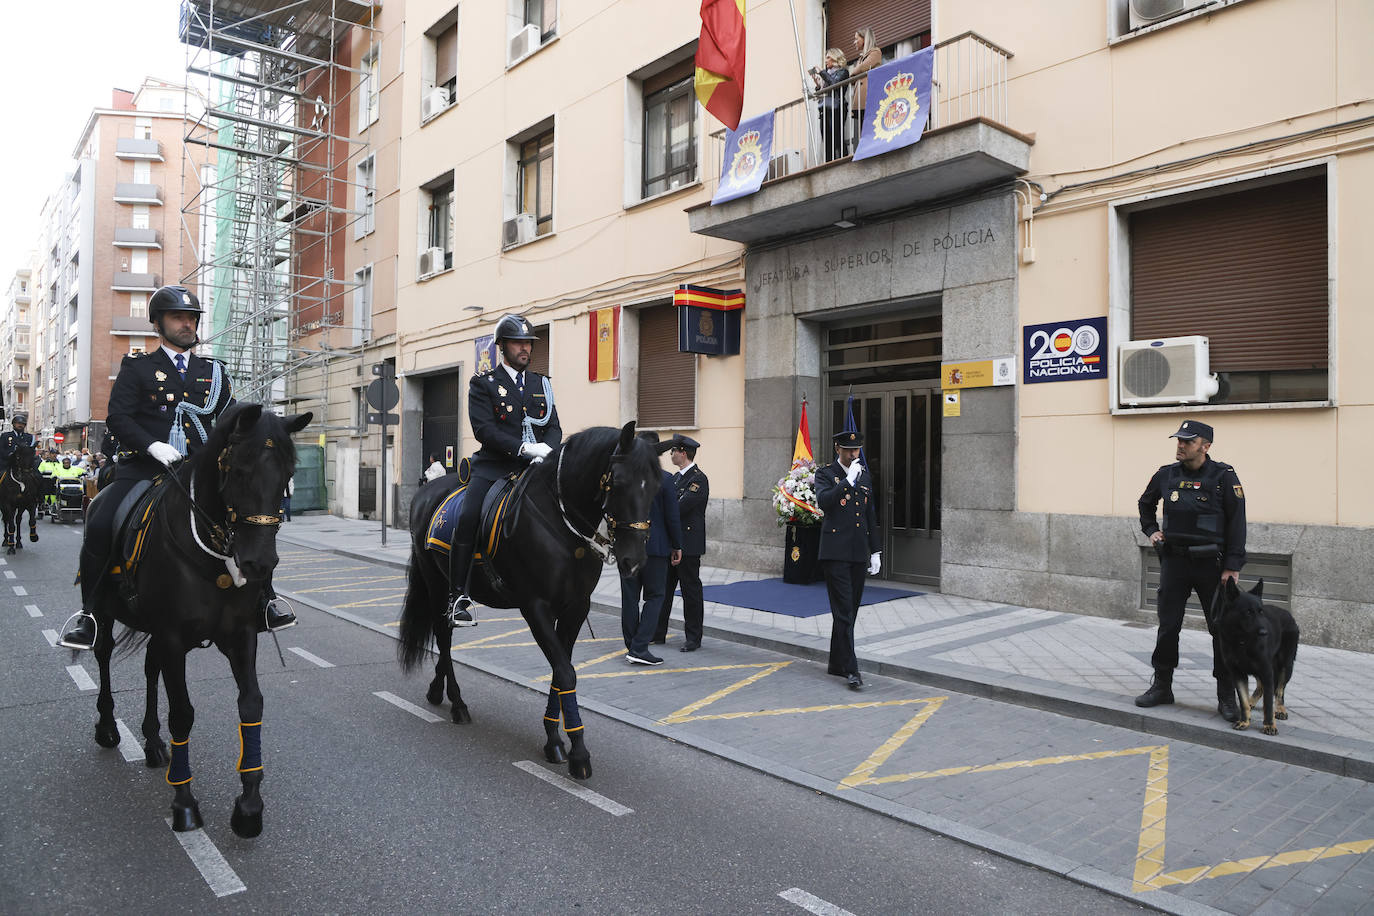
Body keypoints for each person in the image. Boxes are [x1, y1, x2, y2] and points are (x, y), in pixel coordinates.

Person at [58, 285, 295, 649]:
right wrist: (152, 445)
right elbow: (118, 417)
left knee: (254, 524)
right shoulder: (138, 367)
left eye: (192, 318)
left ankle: (266, 600)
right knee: (102, 518)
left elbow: (234, 419)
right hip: (144, 470)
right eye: (178, 317)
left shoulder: (212, 372)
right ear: (158, 324)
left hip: (201, 474)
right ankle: (89, 613)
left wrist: (268, 446)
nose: (187, 324)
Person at [447, 313, 562, 627]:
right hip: (495, 466)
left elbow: (553, 426)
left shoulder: (542, 384)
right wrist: (524, 448)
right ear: (502, 346)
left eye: (528, 343)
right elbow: (484, 430)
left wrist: (547, 451)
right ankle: (457, 594)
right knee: (469, 515)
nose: (525, 348)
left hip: (538, 467)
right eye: (518, 342)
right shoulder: (483, 383)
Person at [1135, 420, 1247, 722]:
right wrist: (1152, 531)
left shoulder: (1223, 476)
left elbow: (1237, 522)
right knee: (1168, 626)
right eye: (1179, 440)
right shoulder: (1166, 474)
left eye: (1188, 441)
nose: (1180, 445)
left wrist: (1233, 566)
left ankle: (1226, 696)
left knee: (1220, 629)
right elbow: (1145, 504)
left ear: (1205, 446)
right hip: (1175, 562)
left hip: (1212, 566)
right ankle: (1162, 686)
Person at [815, 429, 881, 690]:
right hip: (835, 553)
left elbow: (869, 515)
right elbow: (825, 502)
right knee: (843, 611)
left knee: (849, 612)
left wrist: (875, 550)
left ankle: (836, 662)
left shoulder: (864, 475)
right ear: (837, 449)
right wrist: (846, 481)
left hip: (857, 552)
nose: (854, 454)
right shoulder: (825, 474)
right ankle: (852, 670)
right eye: (848, 450)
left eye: (857, 450)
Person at [620, 432, 681, 666]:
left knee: (629, 597)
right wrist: (677, 546)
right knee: (655, 597)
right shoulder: (665, 479)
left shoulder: (624, 476)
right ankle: (639, 647)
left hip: (627, 546)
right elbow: (672, 518)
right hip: (655, 547)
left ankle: (631, 643)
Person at [654, 434, 709, 651]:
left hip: (688, 544)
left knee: (690, 591)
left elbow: (677, 508)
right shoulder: (676, 479)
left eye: (673, 451)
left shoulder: (698, 479)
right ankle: (658, 632)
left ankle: (693, 638)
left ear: (683, 453)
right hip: (672, 542)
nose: (671, 455)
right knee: (664, 590)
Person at [809, 48, 850, 162]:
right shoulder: (828, 75)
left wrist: (822, 72)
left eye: (828, 57)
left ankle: (844, 161)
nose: (826, 60)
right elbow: (823, 92)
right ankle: (828, 164)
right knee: (826, 140)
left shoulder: (843, 72)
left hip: (837, 108)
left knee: (837, 136)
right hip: (825, 109)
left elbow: (835, 84)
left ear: (835, 58)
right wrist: (818, 84)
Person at [848, 27, 883, 145]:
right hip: (860, 101)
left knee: (871, 127)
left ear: (864, 39)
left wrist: (853, 72)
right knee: (863, 129)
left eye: (856, 39)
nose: (854, 42)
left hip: (870, 97)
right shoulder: (861, 58)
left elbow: (863, 67)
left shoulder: (875, 52)